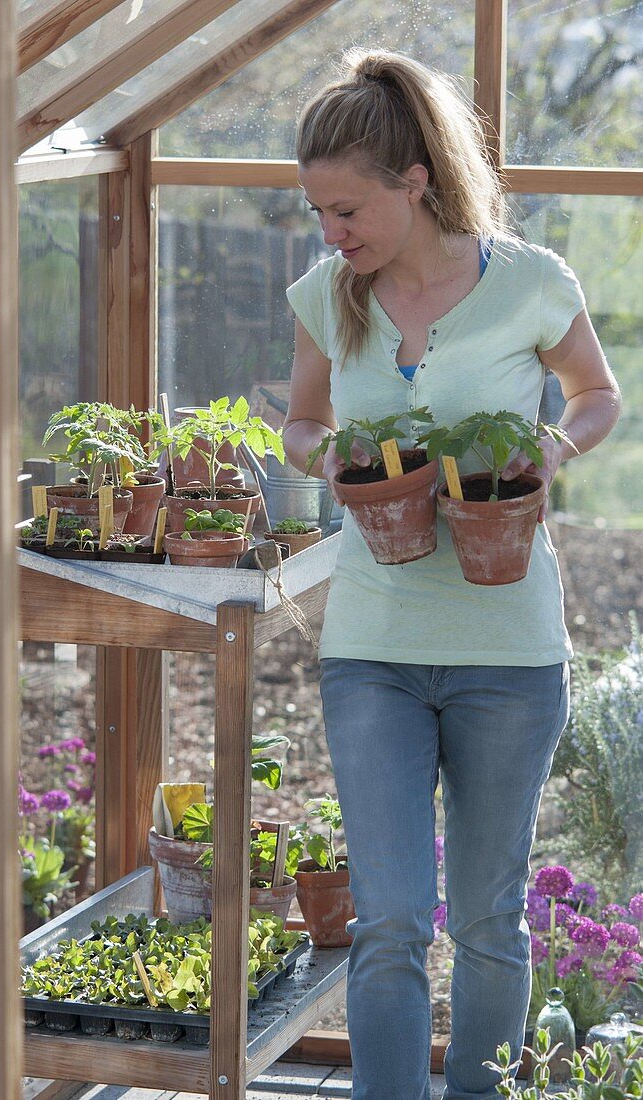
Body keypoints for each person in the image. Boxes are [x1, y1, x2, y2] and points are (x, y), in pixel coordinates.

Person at [282, 49, 621, 1100]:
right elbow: (301, 421)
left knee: (485, 917)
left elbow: (597, 395)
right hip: (374, 646)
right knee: (388, 915)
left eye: (348, 210)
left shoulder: (529, 280)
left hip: (508, 647)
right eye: (320, 213)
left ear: (414, 179)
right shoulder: (328, 294)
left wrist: (552, 451)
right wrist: (323, 459)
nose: (333, 235)